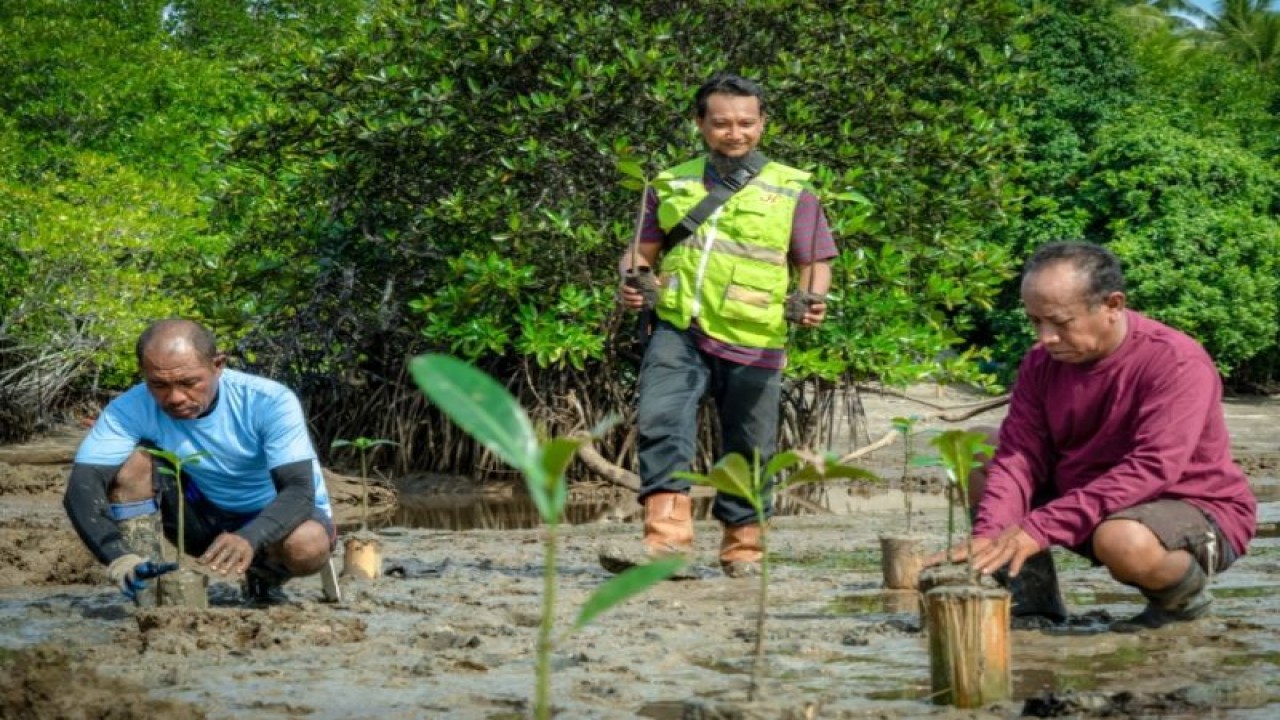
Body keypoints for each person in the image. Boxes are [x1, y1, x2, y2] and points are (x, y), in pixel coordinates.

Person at [932, 242, 1256, 631]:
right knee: (982, 445)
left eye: (1060, 322)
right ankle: (1031, 608)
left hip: (1191, 509)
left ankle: (1182, 608)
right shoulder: (1041, 362)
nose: (1046, 337)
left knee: (1122, 539)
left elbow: (1152, 468)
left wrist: (1038, 528)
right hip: (1086, 503)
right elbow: (1019, 455)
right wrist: (990, 535)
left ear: (1113, 305)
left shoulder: (1175, 361)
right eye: (1036, 322)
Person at [600, 73, 837, 578]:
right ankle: (666, 548)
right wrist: (630, 278)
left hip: (755, 337)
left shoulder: (792, 188)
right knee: (663, 424)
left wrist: (812, 299)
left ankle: (743, 551)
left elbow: (815, 259)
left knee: (749, 445)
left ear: (763, 123)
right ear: (700, 124)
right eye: (723, 123)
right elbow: (641, 253)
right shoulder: (669, 182)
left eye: (747, 123)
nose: (736, 133)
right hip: (677, 326)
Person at [64, 318, 335, 606]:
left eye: (189, 382)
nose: (175, 397)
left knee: (305, 545)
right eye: (159, 385)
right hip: (202, 520)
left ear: (218, 365)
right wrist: (118, 558)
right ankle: (149, 585)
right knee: (133, 463)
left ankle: (266, 575)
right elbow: (82, 487)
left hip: (280, 516)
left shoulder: (268, 401)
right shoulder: (129, 408)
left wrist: (250, 537)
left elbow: (299, 490)